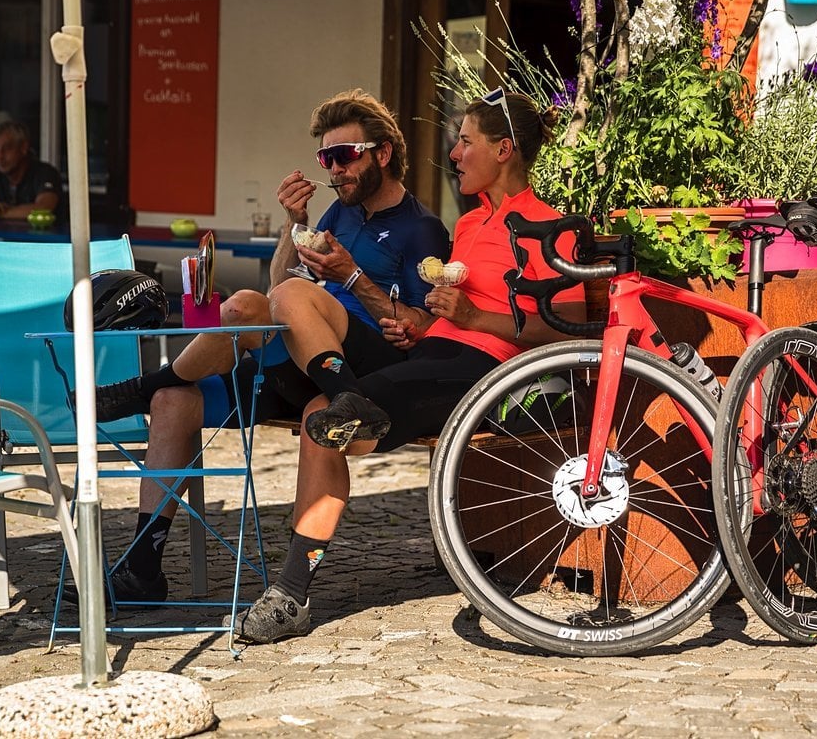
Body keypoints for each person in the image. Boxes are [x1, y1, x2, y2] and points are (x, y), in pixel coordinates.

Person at [65, 89, 450, 605]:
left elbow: (422, 325)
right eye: (325, 158)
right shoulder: (337, 213)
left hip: (363, 366)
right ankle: (142, 565)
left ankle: (148, 383)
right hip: (300, 364)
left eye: (344, 156)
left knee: (257, 305)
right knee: (184, 388)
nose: (333, 169)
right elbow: (280, 286)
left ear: (382, 154)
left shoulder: (421, 228)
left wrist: (352, 278)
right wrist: (295, 224)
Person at [229, 89, 586, 644]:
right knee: (322, 413)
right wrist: (419, 322)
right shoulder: (468, 225)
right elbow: (439, 316)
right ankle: (292, 594)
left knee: (330, 418)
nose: (455, 153)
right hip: (431, 355)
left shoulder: (551, 225)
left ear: (504, 150)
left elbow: (568, 325)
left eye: (466, 141)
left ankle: (291, 591)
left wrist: (475, 317)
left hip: (484, 372)